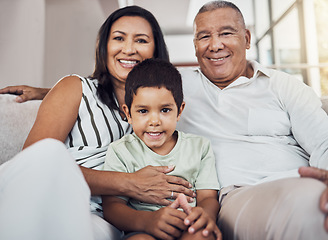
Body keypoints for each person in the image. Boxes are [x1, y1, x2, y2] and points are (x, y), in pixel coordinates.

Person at [4, 1, 328, 239]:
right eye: (118, 39)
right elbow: (110, 90)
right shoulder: (90, 89)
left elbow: (326, 142)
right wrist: (50, 92)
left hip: (124, 216)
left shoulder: (175, 92)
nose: (215, 45)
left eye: (141, 41)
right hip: (79, 196)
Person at [0, 5, 195, 240]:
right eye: (119, 38)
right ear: (104, 47)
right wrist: (129, 183)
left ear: (156, 51)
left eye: (141, 40)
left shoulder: (166, 112)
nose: (129, 49)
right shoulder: (76, 89)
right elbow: (35, 163)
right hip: (58, 199)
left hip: (111, 220)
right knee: (48, 153)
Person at [176, 1, 328, 240]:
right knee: (313, 208)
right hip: (241, 194)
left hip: (303, 179)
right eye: (204, 37)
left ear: (247, 38)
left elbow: (325, 140)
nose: (215, 45)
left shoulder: (283, 84)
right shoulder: (176, 89)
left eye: (226, 33)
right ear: (195, 46)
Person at [102, 58, 221, 240]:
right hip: (143, 229)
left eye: (165, 110)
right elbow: (112, 207)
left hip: (188, 226)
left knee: (202, 236)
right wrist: (147, 221)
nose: (154, 121)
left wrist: (205, 216)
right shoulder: (121, 151)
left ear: (179, 111)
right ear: (128, 113)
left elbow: (208, 198)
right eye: (143, 111)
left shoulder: (199, 147)